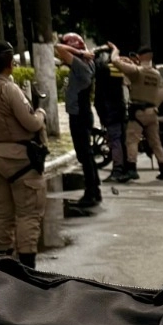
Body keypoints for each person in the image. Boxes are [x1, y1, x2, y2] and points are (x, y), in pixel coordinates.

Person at [0, 40, 48, 268]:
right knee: (28, 214)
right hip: (19, 159)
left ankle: (3, 263)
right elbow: (30, 123)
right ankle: (27, 267)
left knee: (4, 212)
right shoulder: (9, 89)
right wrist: (41, 114)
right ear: (9, 63)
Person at [108, 43, 163, 182]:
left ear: (140, 57)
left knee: (132, 140)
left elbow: (115, 61)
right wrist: (132, 62)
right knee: (155, 142)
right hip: (152, 112)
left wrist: (115, 50)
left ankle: (132, 169)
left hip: (138, 112)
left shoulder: (137, 72)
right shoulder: (156, 74)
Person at [54, 33, 99, 210]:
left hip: (79, 115)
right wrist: (81, 51)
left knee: (84, 155)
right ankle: (95, 189)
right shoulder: (89, 63)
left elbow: (59, 48)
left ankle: (91, 193)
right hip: (84, 112)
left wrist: (78, 52)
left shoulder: (80, 64)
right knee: (87, 154)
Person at [93, 44, 129, 182]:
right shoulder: (117, 69)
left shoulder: (102, 69)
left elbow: (99, 96)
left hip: (109, 110)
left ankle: (117, 170)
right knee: (121, 139)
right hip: (120, 108)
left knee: (115, 140)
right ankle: (124, 168)